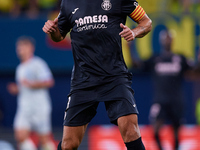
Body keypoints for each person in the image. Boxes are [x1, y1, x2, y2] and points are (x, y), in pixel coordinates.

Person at [42, 0, 152, 149]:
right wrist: (53, 30)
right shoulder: (68, 3)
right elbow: (59, 35)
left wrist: (134, 32)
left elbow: (146, 22)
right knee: (69, 144)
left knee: (131, 131)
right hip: (83, 80)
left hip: (114, 77)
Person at [135, 29, 193, 150]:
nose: (167, 40)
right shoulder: (155, 59)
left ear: (172, 40)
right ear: (161, 41)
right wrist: (129, 50)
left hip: (177, 101)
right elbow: (137, 65)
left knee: (177, 133)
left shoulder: (180, 58)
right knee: (155, 129)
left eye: (169, 38)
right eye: (165, 38)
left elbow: (194, 70)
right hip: (160, 100)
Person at [7, 36, 56, 150]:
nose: (19, 51)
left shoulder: (38, 64)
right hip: (24, 108)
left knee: (44, 139)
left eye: (22, 47)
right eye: (18, 48)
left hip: (39, 107)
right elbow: (24, 86)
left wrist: (31, 84)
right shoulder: (20, 68)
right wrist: (17, 89)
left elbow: (49, 82)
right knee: (20, 136)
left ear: (30, 48)